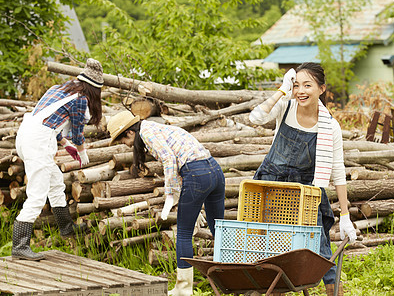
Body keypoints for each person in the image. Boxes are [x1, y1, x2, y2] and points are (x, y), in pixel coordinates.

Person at [249, 62, 357, 296]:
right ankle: (270, 289)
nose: (300, 91)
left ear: (322, 89)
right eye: (296, 85)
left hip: (307, 190)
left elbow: (337, 170)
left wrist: (345, 215)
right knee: (270, 246)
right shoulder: (285, 107)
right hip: (271, 186)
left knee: (319, 244)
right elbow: (255, 118)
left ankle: (333, 292)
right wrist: (281, 90)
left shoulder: (330, 126)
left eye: (307, 85)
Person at [107, 110, 225, 296]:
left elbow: (170, 160)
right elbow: (181, 162)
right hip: (215, 172)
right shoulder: (156, 128)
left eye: (123, 140)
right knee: (219, 228)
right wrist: (188, 197)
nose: (126, 144)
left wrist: (171, 194)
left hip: (197, 174)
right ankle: (227, 281)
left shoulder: (147, 133)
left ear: (130, 132)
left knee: (184, 233)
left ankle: (183, 290)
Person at [12, 58, 104, 261]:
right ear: (94, 89)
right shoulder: (80, 100)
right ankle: (19, 245)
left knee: (55, 182)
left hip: (26, 135)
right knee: (37, 194)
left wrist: (65, 143)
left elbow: (47, 120)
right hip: (38, 142)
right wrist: (81, 152)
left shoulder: (58, 88)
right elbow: (78, 133)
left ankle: (66, 227)